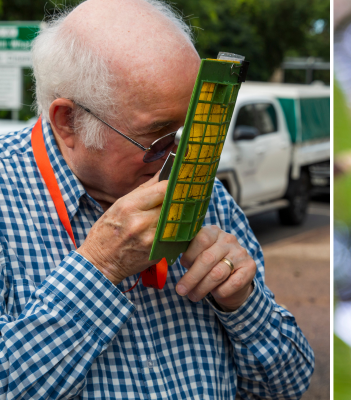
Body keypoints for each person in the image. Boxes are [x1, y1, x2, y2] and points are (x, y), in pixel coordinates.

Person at [0, 0, 314, 398]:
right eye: (157, 138)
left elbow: (289, 386)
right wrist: (101, 266)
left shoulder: (208, 193)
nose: (178, 160)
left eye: (189, 129)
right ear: (69, 122)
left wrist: (242, 303)